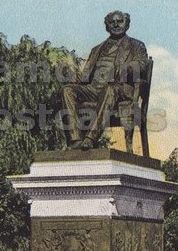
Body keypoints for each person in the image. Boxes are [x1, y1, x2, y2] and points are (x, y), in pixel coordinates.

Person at [61, 11, 148, 150]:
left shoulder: (136, 45)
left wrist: (125, 68)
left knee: (110, 88)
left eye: (119, 21)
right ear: (107, 26)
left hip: (118, 89)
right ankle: (75, 140)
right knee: (68, 90)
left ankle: (91, 138)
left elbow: (142, 65)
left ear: (127, 24)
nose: (116, 24)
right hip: (94, 89)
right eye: (112, 22)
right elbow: (85, 77)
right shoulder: (97, 49)